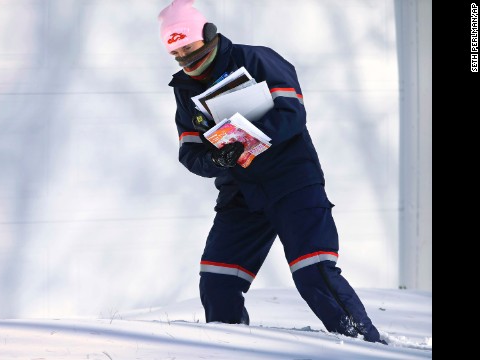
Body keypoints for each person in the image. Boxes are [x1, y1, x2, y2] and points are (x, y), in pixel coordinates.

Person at [157, 0, 387, 344]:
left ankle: (367, 344)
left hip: (292, 182)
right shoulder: (183, 90)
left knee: (314, 273)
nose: (184, 59)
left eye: (188, 47)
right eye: (175, 53)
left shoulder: (256, 59)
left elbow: (292, 114)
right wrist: (217, 161)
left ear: (207, 34)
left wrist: (246, 138)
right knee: (217, 279)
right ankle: (230, 347)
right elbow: (190, 152)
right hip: (240, 193)